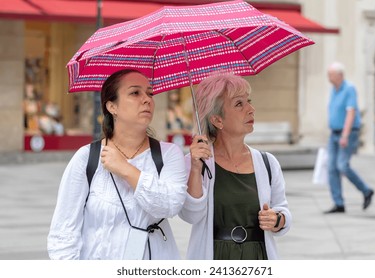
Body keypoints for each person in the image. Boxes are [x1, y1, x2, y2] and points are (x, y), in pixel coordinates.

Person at [47, 69, 188, 259]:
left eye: (150, 93)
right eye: (135, 93)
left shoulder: (169, 154)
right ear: (112, 106)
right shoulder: (87, 158)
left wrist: (126, 169)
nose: (147, 99)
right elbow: (63, 234)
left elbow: (170, 206)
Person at [179, 72, 291, 260]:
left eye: (249, 101)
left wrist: (278, 219)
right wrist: (196, 170)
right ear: (217, 120)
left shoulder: (267, 162)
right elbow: (191, 216)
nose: (251, 109)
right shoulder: (197, 162)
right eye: (239, 104)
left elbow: (282, 209)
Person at [324, 62, 374, 214]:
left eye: (331, 75)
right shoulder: (334, 89)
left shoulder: (349, 89)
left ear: (340, 75)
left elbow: (351, 112)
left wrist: (345, 135)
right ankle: (338, 203)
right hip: (334, 133)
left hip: (348, 133)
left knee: (342, 166)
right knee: (331, 168)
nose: (329, 78)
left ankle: (366, 190)